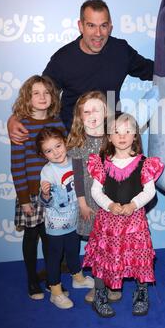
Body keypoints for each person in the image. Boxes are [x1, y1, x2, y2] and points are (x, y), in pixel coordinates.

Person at [8, 0, 154, 142]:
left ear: (110, 27)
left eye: (103, 26)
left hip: (110, 140)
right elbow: (42, 93)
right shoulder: (62, 59)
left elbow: (153, 70)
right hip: (73, 140)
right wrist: (15, 118)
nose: (98, 33)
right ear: (81, 26)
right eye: (91, 25)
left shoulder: (121, 50)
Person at [83, 112, 164, 318]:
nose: (122, 136)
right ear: (108, 137)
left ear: (135, 136)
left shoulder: (145, 162)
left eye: (127, 131)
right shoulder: (101, 162)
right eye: (116, 132)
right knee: (104, 257)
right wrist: (109, 205)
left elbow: (149, 191)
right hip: (108, 221)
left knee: (139, 257)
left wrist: (134, 204)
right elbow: (95, 191)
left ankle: (141, 292)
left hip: (134, 221)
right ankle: (100, 293)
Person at [10, 75, 66, 300]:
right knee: (32, 237)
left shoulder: (57, 122)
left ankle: (53, 280)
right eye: (36, 93)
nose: (42, 97)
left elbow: (64, 158)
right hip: (31, 195)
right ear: (27, 97)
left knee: (51, 238)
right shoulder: (21, 126)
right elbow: (17, 165)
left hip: (54, 193)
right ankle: (32, 279)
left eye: (47, 93)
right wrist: (23, 199)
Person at [67, 90, 122, 304]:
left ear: (107, 112)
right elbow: (78, 177)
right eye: (86, 111)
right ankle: (98, 288)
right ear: (80, 117)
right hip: (90, 204)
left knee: (112, 247)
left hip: (113, 203)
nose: (92, 115)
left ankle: (110, 285)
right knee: (98, 248)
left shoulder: (115, 139)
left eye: (97, 109)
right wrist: (82, 203)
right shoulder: (79, 143)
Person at [37, 127, 94, 310]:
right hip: (56, 225)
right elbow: (46, 202)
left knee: (73, 249)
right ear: (43, 154)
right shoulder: (47, 172)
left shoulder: (75, 161)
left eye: (58, 146)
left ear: (65, 142)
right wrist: (45, 194)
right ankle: (55, 291)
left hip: (73, 220)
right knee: (54, 257)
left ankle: (77, 277)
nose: (55, 152)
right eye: (48, 150)